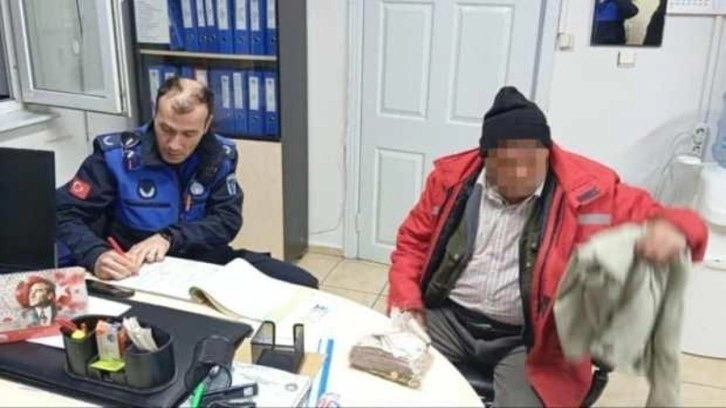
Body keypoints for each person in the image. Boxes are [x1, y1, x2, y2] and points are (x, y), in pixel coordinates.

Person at [387, 86, 708, 407]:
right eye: (507, 163)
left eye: (532, 161)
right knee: (387, 382)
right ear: (485, 158)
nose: (521, 174)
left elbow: (678, 222)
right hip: (449, 319)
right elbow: (412, 243)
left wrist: (675, 230)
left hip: (532, 341)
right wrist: (407, 300)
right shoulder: (451, 180)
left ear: (547, 152)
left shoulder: (588, 189)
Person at [56, 77, 317, 288]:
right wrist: (96, 254)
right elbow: (63, 211)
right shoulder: (115, 156)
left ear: (207, 125)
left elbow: (226, 220)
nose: (174, 144)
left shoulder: (219, 156)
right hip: (134, 268)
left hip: (202, 258)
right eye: (166, 129)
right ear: (155, 115)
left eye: (189, 134)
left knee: (301, 284)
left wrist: (169, 238)